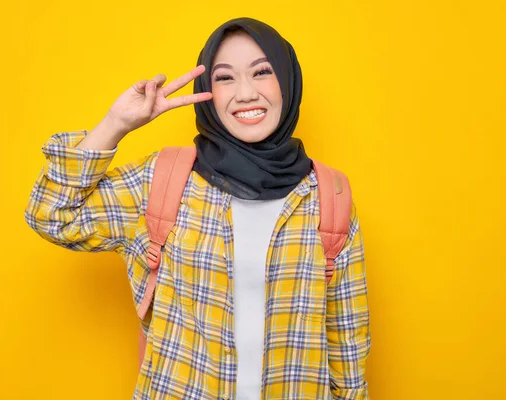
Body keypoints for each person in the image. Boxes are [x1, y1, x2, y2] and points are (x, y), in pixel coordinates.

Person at [25, 17, 370, 400]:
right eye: (225, 78)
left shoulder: (329, 195)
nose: (245, 93)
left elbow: (347, 344)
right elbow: (52, 214)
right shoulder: (162, 181)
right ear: (207, 90)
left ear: (287, 80)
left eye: (262, 72)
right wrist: (115, 124)